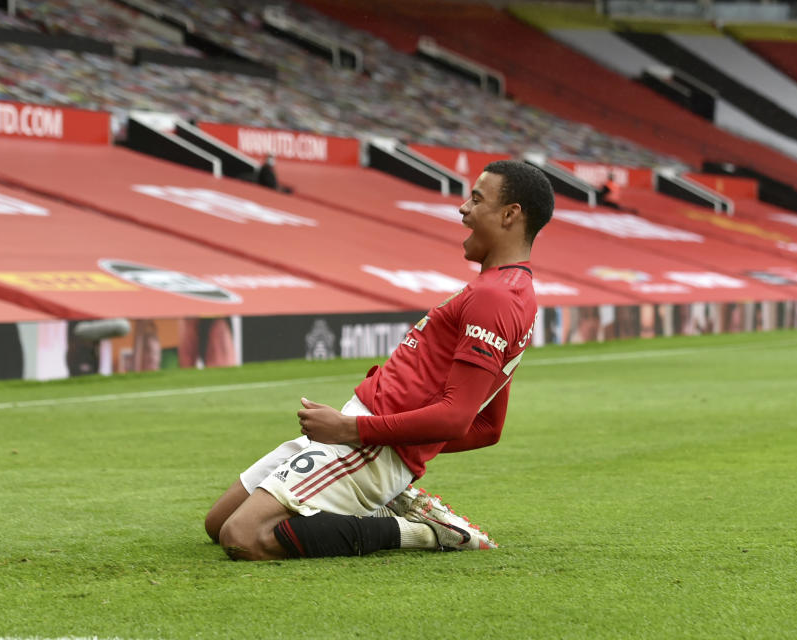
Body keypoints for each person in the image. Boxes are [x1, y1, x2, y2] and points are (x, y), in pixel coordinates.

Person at [204, 160, 555, 561]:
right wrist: (385, 438)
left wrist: (356, 432)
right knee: (218, 523)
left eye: (476, 199)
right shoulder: (510, 292)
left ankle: (419, 532)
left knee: (243, 536)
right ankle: (383, 497)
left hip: (364, 445)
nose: (463, 208)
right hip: (365, 440)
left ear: (511, 214)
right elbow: (488, 427)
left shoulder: (495, 297)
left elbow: (458, 418)